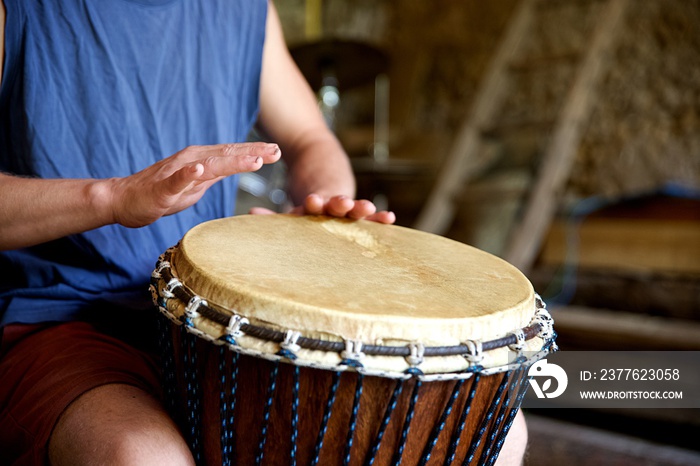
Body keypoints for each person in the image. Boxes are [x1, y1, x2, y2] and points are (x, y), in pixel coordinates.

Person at [0, 1, 526, 465]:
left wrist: (322, 207)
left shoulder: (246, 8)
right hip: (60, 316)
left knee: (499, 435)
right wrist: (113, 197)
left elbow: (308, 136)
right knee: (141, 456)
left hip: (214, 321)